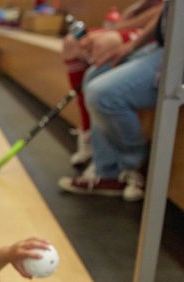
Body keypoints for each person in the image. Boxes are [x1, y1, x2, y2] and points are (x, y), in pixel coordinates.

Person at [59, 3, 166, 201]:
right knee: (96, 72)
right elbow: (165, 16)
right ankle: (107, 171)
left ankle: (133, 166)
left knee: (102, 94)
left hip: (175, 53)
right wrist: (130, 47)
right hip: (161, 45)